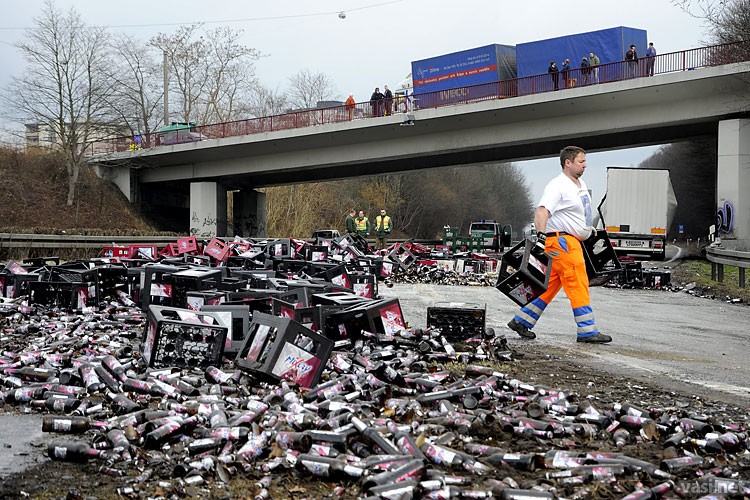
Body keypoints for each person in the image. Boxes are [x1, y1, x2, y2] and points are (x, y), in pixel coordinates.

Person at [507, 146, 612, 344]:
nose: (585, 165)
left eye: (585, 162)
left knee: (550, 286)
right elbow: (541, 211)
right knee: (578, 283)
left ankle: (522, 321)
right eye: (581, 162)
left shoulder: (579, 184)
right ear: (568, 163)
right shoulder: (558, 186)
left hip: (568, 242)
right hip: (563, 242)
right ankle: (587, 330)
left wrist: (588, 230)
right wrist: (540, 236)